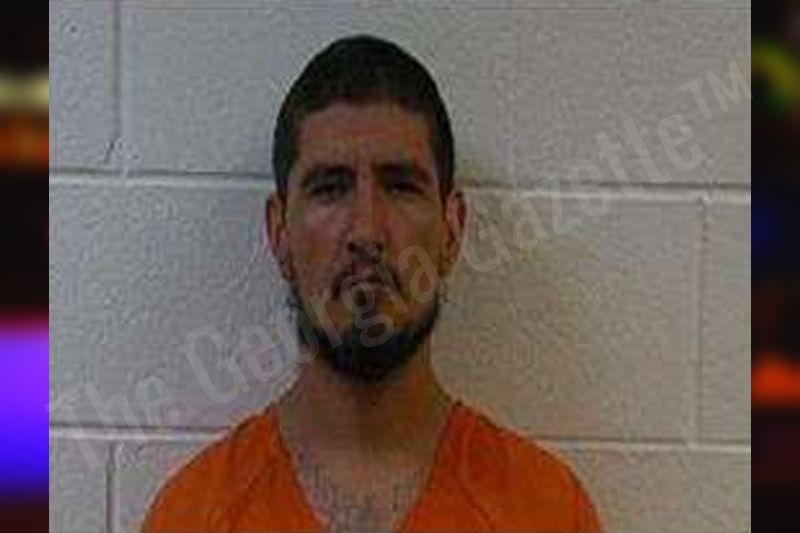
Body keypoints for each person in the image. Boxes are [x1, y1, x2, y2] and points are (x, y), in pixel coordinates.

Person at [143, 34, 601, 533]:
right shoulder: (193, 516)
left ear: (452, 229)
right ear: (280, 233)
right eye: (330, 189)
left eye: (401, 186)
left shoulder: (547, 511)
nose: (366, 231)